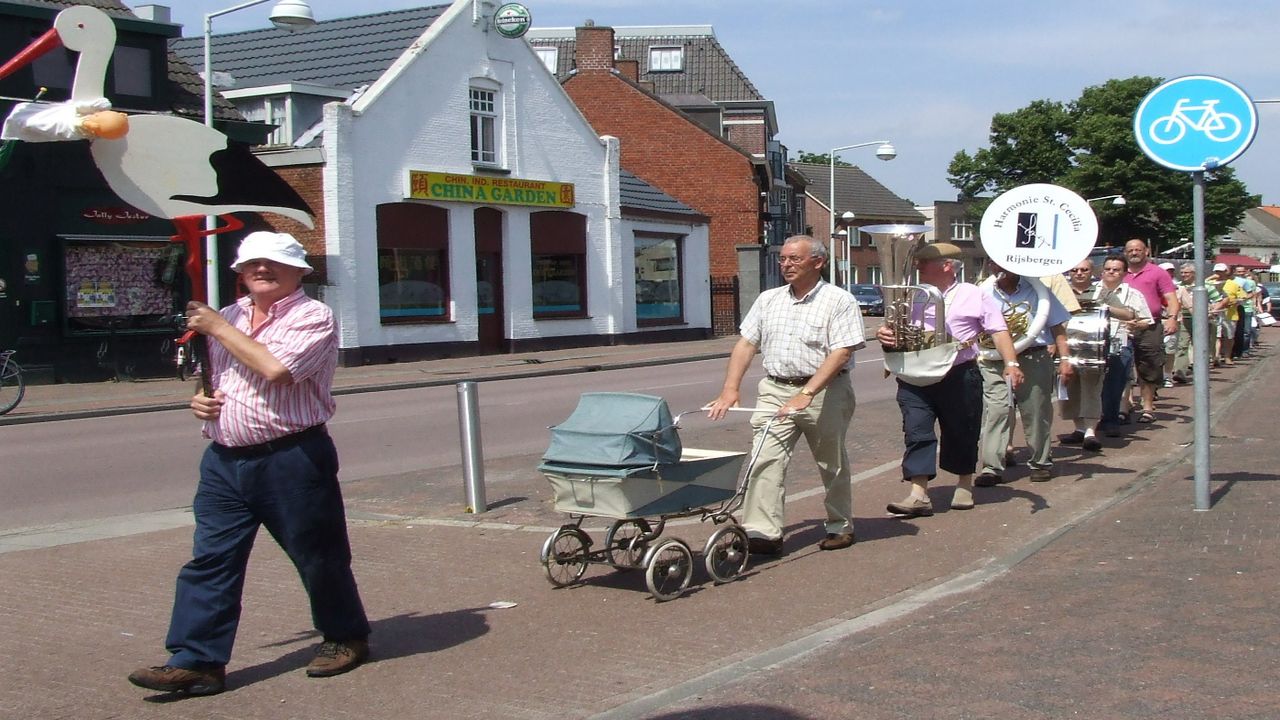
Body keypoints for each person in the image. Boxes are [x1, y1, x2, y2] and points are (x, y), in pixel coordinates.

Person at [129, 232, 370, 697]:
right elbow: (220, 378)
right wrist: (199, 400)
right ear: (239, 271)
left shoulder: (312, 317)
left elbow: (276, 369)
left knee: (318, 557)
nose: (263, 269)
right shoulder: (228, 316)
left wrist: (217, 328)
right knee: (210, 561)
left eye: (276, 263)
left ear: (300, 272)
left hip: (291, 458)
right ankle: (196, 660)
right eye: (253, 263)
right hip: (223, 460)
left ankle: (345, 636)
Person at [707, 235, 864, 553]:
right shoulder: (768, 300)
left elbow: (841, 353)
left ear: (817, 262)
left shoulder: (839, 300)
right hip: (775, 389)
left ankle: (840, 525)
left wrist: (807, 393)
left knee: (830, 462)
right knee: (764, 459)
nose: (786, 265)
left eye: (794, 258)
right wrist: (730, 389)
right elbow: (747, 344)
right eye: (783, 259)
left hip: (825, 391)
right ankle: (763, 533)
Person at [875, 243, 1022, 517]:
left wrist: (1011, 362)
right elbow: (893, 328)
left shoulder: (973, 294)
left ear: (947, 266)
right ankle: (918, 494)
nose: (917, 266)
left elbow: (998, 330)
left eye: (924, 261)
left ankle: (964, 483)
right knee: (916, 430)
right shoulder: (909, 294)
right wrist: (885, 333)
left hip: (959, 372)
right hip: (915, 373)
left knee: (961, 429)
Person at [975, 260, 1074, 484]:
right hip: (994, 360)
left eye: (1003, 264)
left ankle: (1040, 462)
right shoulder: (983, 291)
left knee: (1036, 410)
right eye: (993, 264)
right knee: (997, 410)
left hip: (1033, 356)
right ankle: (992, 466)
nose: (997, 269)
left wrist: (1065, 358)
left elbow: (1057, 325)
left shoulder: (1039, 291)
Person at [1095, 255, 1153, 436]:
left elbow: (1147, 320)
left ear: (1124, 273)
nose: (1111, 272)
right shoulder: (1091, 291)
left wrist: (1136, 324)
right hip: (1092, 341)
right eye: (1108, 269)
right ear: (1102, 271)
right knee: (1091, 384)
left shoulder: (1134, 294)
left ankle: (1110, 420)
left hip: (1120, 341)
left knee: (1114, 383)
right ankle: (1087, 424)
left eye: (1116, 269)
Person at [1123, 239, 1178, 424]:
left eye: (1137, 249)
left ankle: (1147, 407)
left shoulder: (1158, 273)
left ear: (1146, 251)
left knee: (1149, 366)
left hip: (1150, 326)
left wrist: (1172, 318)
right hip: (1121, 326)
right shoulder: (1118, 271)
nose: (1134, 253)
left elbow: (1171, 297)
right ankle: (1126, 404)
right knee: (1122, 366)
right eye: (1130, 250)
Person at [1058, 258, 1106, 451]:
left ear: (1091, 272)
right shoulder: (1060, 292)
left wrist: (1105, 308)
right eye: (1074, 270)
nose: (1079, 273)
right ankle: (1078, 429)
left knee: (1091, 389)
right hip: (1066, 347)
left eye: (1084, 270)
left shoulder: (1102, 292)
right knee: (1070, 389)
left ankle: (1090, 432)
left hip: (1092, 348)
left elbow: (1128, 314)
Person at [1232, 265, 1258, 357]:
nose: (1241, 273)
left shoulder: (1250, 282)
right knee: (1236, 331)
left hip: (1247, 308)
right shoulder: (1232, 281)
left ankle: (1245, 350)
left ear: (1245, 272)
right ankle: (1236, 350)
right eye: (1238, 272)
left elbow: (1253, 294)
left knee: (1246, 331)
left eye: (1242, 271)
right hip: (1234, 308)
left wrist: (1254, 304)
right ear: (1235, 272)